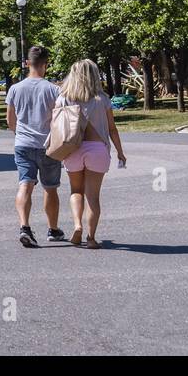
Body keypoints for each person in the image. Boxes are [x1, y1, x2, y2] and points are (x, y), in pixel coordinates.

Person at [56, 59, 127, 249]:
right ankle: (91, 238)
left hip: (73, 148)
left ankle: (77, 225)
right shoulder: (102, 99)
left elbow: (56, 124)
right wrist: (120, 152)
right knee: (93, 197)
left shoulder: (64, 97)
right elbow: (112, 129)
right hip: (97, 149)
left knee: (75, 191)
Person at [5, 45, 63, 247]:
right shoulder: (54, 90)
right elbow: (60, 120)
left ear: (27, 64)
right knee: (50, 188)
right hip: (48, 145)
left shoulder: (15, 89)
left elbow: (10, 120)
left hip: (23, 144)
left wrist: (19, 133)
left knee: (25, 184)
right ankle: (53, 230)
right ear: (46, 65)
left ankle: (24, 227)